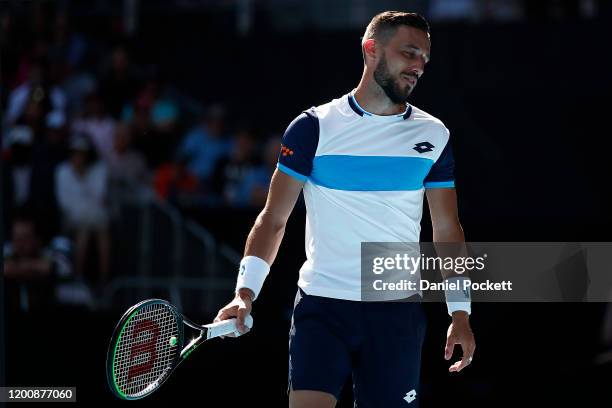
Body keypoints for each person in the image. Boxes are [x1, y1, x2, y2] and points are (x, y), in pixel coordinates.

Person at [215, 11, 476, 407]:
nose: (419, 65)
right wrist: (245, 292)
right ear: (371, 50)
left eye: (425, 56)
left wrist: (460, 311)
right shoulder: (312, 128)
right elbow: (274, 218)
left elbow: (446, 228)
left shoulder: (433, 135)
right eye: (409, 53)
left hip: (395, 314)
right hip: (323, 306)